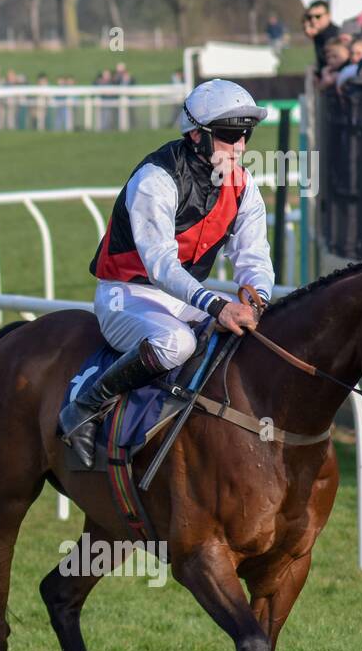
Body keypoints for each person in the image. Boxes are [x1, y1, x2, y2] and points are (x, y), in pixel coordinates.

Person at [58, 79, 273, 468]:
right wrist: (216, 306)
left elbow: (254, 255)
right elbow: (161, 267)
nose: (240, 146)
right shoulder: (155, 179)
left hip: (183, 298)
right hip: (126, 295)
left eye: (246, 134)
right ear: (196, 134)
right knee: (177, 344)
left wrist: (256, 299)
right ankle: (86, 405)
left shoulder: (242, 185)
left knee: (250, 340)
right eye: (229, 135)